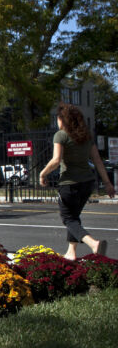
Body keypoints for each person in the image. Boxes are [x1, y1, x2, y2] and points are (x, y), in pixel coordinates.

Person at [40, 103, 115, 260]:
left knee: (68, 218)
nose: (57, 122)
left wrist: (42, 174)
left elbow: (56, 160)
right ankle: (71, 252)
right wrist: (108, 184)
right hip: (87, 183)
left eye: (58, 118)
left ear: (64, 119)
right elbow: (98, 161)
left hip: (69, 184)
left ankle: (93, 243)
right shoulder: (87, 136)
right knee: (74, 217)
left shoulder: (61, 135)